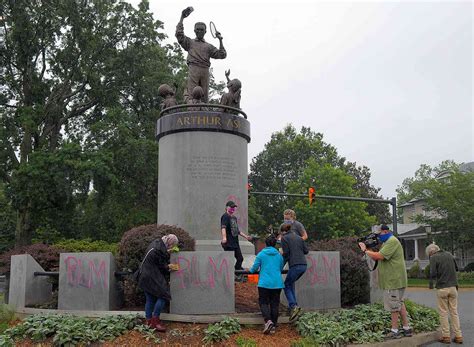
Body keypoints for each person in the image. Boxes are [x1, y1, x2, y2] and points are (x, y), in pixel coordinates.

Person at [358, 225, 412, 339]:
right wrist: (370, 249)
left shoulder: (392, 241)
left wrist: (365, 250)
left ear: (385, 231)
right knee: (399, 303)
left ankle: (395, 331)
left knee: (393, 305)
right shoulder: (387, 242)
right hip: (395, 279)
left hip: (393, 280)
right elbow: (376, 257)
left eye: (379, 234)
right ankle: (407, 328)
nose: (378, 237)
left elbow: (380, 256)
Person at [176, 7, 227, 103]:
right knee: (191, 94)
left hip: (205, 70)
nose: (199, 31)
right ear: (194, 31)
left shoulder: (208, 47)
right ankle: (191, 110)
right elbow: (179, 35)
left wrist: (220, 40)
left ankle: (204, 111)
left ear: (205, 31)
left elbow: (222, 55)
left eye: (202, 30)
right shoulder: (190, 43)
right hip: (193, 68)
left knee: (204, 96)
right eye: (197, 29)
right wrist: (182, 18)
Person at [137, 234, 179, 332]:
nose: (172, 247)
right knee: (164, 296)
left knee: (150, 298)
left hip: (144, 274)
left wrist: (168, 251)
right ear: (169, 242)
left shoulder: (157, 243)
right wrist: (171, 267)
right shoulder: (158, 250)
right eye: (172, 245)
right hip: (150, 276)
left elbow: (158, 256)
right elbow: (162, 266)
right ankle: (155, 321)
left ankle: (149, 322)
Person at [426, 243, 463, 344]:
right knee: (454, 312)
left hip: (442, 288)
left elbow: (432, 273)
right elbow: (456, 268)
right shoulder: (449, 254)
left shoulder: (434, 257)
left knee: (443, 313)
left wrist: (431, 283)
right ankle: (458, 336)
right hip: (453, 287)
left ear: (431, 252)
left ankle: (446, 336)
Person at [248, 234, 284, 334]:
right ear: (275, 244)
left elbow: (254, 268)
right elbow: (280, 268)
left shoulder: (261, 254)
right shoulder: (279, 255)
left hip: (264, 283)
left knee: (263, 302)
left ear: (266, 244)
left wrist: (250, 271)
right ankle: (274, 326)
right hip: (277, 283)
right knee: (275, 304)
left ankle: (268, 321)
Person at [281, 223, 308, 322]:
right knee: (290, 283)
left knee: (286, 285)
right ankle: (294, 307)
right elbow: (306, 251)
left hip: (295, 265)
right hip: (303, 265)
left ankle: (293, 306)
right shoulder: (299, 237)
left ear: (283, 231)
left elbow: (286, 254)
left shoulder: (284, 238)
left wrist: (280, 266)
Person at [221, 200, 252, 279]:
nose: (233, 209)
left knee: (240, 258)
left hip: (235, 242)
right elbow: (223, 227)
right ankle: (229, 276)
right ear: (227, 207)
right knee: (229, 260)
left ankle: (237, 273)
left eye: (234, 208)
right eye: (231, 207)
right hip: (228, 243)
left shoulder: (234, 218)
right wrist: (224, 238)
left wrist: (246, 237)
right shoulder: (225, 216)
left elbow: (237, 231)